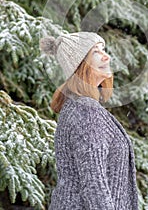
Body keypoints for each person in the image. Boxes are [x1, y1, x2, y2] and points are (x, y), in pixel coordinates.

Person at [39, 31, 139, 210]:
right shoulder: (85, 111)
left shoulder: (79, 106)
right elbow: (94, 185)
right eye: (96, 52)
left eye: (104, 50)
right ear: (80, 65)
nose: (106, 56)